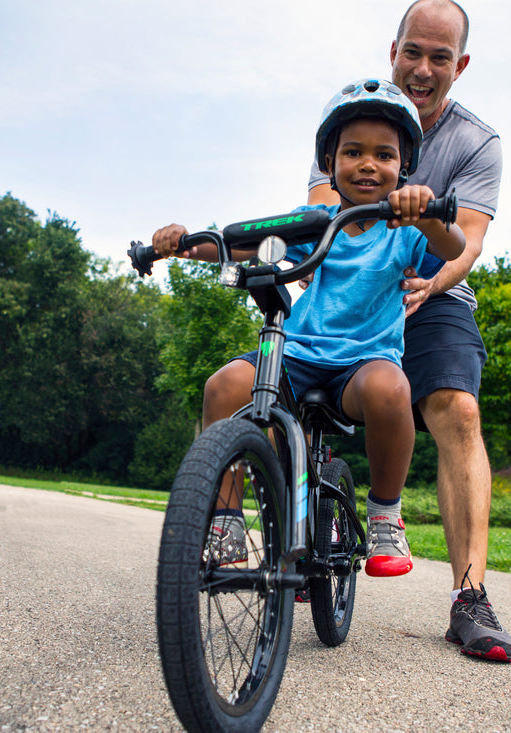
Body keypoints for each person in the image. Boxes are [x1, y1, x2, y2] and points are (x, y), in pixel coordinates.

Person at [152, 79, 465, 578]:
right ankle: (227, 519)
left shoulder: (407, 229)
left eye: (385, 155)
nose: (368, 164)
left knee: (392, 390)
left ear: (403, 167)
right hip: (297, 356)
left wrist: (426, 214)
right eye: (353, 152)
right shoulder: (314, 222)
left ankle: (385, 514)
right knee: (223, 385)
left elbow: (452, 249)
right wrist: (184, 242)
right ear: (329, 163)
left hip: (362, 366)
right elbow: (242, 242)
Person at [307, 0, 511, 662]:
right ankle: (310, 499)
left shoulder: (478, 141)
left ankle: (470, 597)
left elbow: (470, 240)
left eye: (440, 57)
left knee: (457, 406)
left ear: (461, 65)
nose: (423, 69)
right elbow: (319, 218)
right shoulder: (352, 117)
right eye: (412, 52)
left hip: (435, 282)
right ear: (392, 50)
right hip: (356, 273)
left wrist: (433, 278)